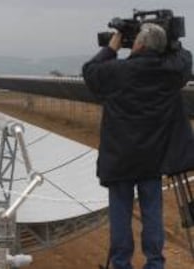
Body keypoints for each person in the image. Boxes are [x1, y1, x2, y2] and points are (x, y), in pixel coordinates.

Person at [82, 23, 194, 269]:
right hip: (153, 158)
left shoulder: (117, 72)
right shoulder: (170, 73)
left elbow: (90, 71)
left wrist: (111, 49)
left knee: (120, 214)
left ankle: (121, 263)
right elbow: (185, 59)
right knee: (152, 212)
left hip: (120, 158)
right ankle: (155, 263)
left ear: (139, 44)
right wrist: (171, 41)